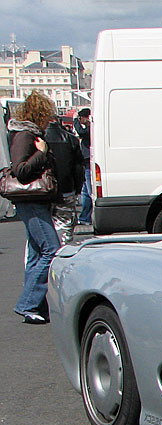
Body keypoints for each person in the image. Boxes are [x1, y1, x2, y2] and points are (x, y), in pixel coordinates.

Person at [8, 92, 61, 324]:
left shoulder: (28, 134)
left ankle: (34, 305)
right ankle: (28, 303)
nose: (50, 119)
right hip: (31, 199)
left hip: (35, 200)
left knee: (38, 252)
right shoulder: (26, 135)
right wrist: (41, 153)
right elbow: (20, 170)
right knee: (51, 249)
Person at [44, 112, 85, 245]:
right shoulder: (70, 139)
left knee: (43, 227)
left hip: (44, 189)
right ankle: (63, 250)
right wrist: (77, 188)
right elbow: (78, 168)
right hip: (66, 187)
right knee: (66, 227)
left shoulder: (39, 139)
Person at [73, 107, 92, 225]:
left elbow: (81, 132)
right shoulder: (89, 128)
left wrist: (75, 120)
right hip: (85, 162)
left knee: (89, 192)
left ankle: (86, 217)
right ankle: (85, 217)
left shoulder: (90, 128)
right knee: (85, 193)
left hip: (88, 161)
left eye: (80, 118)